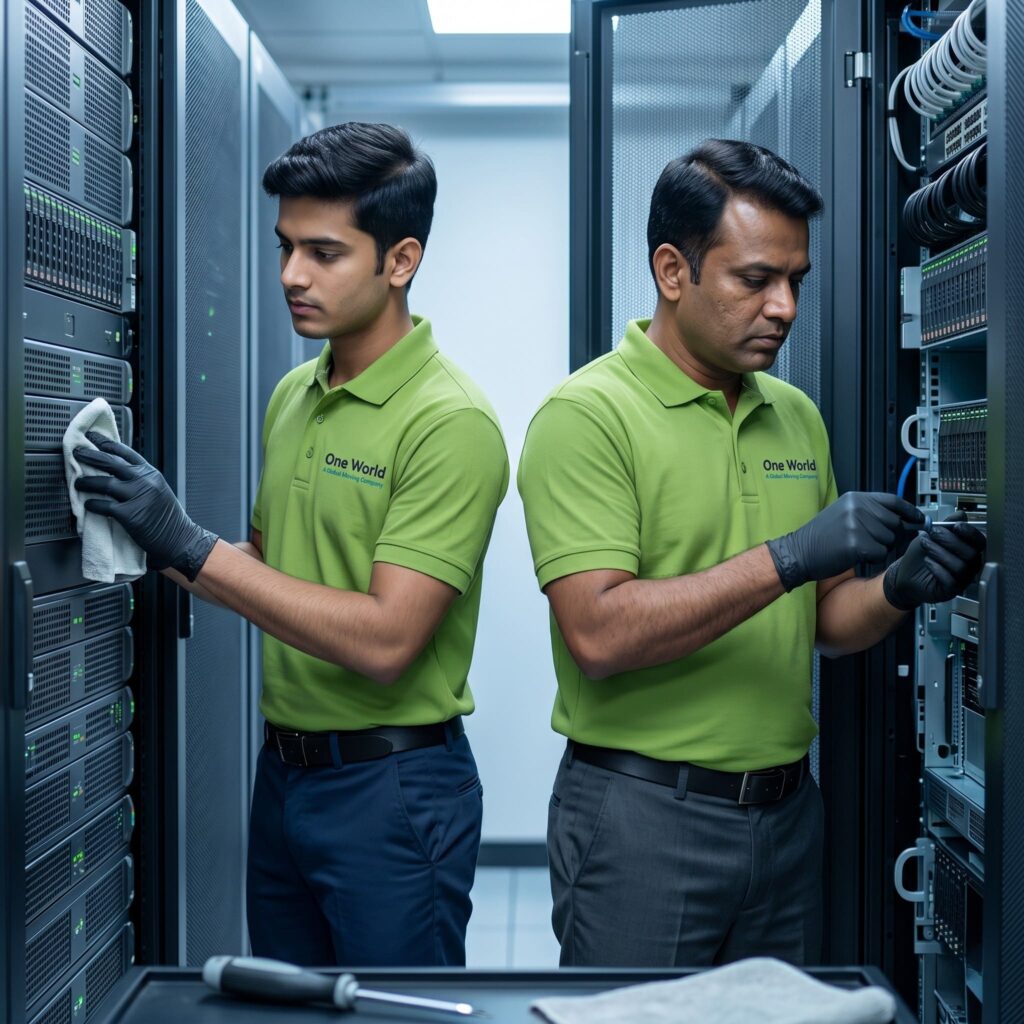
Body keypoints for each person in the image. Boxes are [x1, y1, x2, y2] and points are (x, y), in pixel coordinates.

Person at [516, 138, 985, 968]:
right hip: (643, 817)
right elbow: (599, 635)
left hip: (785, 818)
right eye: (755, 279)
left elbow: (827, 621)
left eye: (796, 280)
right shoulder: (586, 416)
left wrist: (900, 589)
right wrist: (792, 553)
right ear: (673, 271)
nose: (785, 307)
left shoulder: (794, 415)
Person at [75, 122, 509, 967]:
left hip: (394, 791)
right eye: (284, 248)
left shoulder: (450, 422)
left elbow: (388, 640)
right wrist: (150, 539)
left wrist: (191, 545)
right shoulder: (293, 396)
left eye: (323, 252)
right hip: (285, 780)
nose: (290, 276)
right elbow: (273, 571)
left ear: (400, 260)